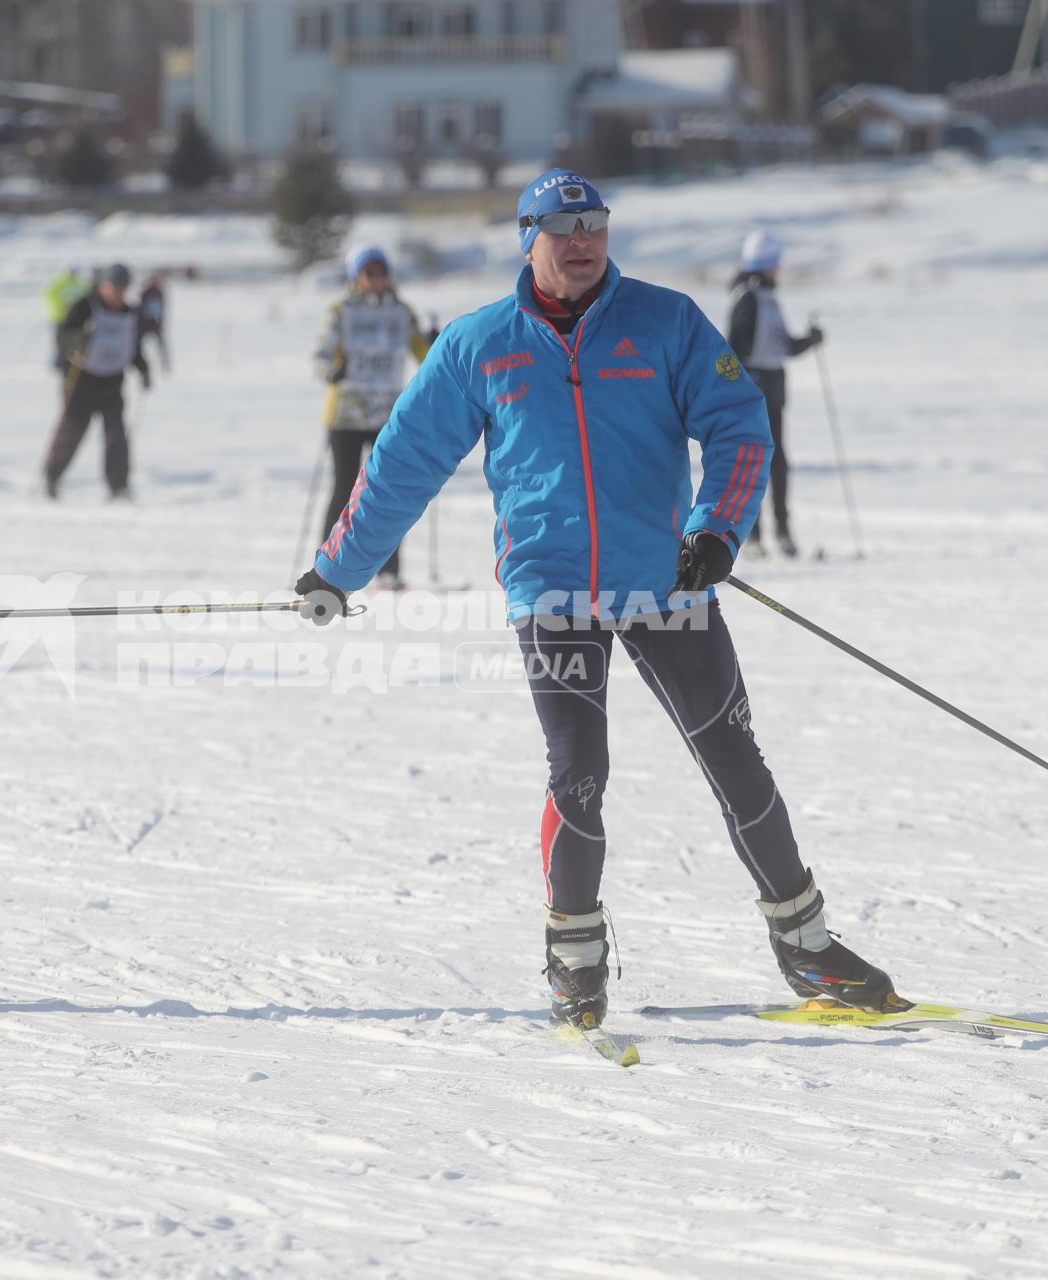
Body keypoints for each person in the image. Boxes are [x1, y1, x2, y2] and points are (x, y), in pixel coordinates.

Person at [292, 169, 898, 1030]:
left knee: (733, 755)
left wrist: (717, 528)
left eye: (595, 228)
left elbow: (738, 423)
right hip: (553, 593)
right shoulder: (479, 344)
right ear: (526, 239)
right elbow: (400, 463)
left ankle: (807, 946)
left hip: (665, 583)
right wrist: (338, 572)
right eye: (562, 231)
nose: (582, 245)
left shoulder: (666, 321)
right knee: (578, 774)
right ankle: (574, 957)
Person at [311, 245, 434, 589]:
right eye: (369, 273)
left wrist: (436, 345)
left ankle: (389, 570)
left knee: (386, 491)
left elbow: (423, 354)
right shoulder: (341, 312)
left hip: (387, 414)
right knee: (344, 488)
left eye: (381, 273)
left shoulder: (401, 311)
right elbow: (319, 356)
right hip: (346, 414)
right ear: (356, 276)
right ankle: (325, 566)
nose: (376, 280)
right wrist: (332, 369)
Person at [726, 231, 821, 559]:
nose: (778, 269)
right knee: (757, 462)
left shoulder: (768, 298)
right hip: (754, 390)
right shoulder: (749, 298)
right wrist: (740, 386)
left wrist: (809, 341)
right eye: (775, 263)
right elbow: (733, 348)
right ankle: (753, 535)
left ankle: (782, 530)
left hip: (774, 388)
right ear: (765, 264)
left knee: (778, 462)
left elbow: (782, 345)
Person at [43, 263, 150, 500]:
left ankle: (118, 487)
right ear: (102, 286)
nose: (118, 293)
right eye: (114, 288)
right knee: (72, 431)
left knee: (116, 435)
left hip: (112, 381)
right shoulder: (85, 307)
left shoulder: (130, 313)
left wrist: (143, 369)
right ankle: (51, 478)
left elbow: (133, 347)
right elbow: (63, 338)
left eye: (122, 288)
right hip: (82, 380)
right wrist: (79, 338)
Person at [42, 264, 91, 379]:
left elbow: (87, 293)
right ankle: (59, 362)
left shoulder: (77, 283)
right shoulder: (60, 283)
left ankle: (72, 363)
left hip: (75, 319)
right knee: (60, 342)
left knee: (74, 343)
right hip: (61, 318)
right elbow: (48, 295)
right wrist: (60, 309)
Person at [138, 272, 170, 374]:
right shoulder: (146, 292)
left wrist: (161, 321)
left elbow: (162, 308)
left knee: (161, 344)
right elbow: (141, 307)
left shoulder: (159, 292)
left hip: (155, 322)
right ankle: (139, 363)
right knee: (137, 344)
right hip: (145, 322)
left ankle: (165, 364)